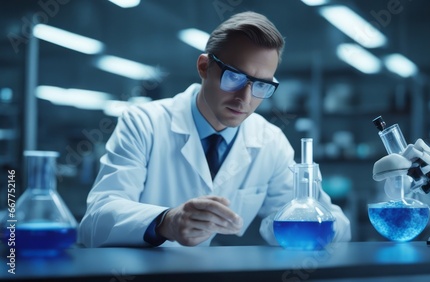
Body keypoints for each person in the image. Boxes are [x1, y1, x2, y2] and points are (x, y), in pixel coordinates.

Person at [78, 11, 351, 248]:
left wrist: (318, 223)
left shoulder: (270, 141)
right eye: (234, 77)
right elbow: (95, 222)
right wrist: (167, 221)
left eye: (261, 85)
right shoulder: (143, 123)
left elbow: (332, 222)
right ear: (204, 67)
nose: (245, 98)